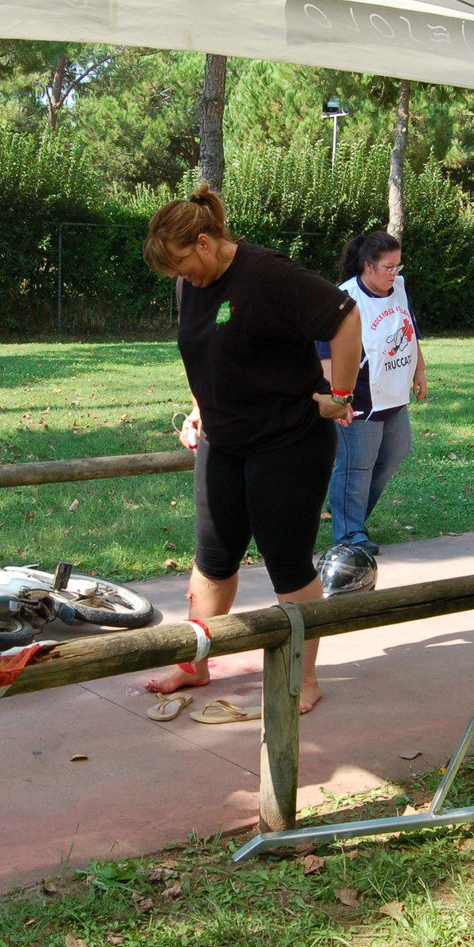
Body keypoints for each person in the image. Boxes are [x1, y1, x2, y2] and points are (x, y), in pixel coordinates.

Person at [140, 184, 359, 715]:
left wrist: (341, 396)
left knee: (287, 562)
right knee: (213, 560)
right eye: (171, 271)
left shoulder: (267, 274)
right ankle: (194, 663)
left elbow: (346, 317)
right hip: (224, 438)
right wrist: (199, 405)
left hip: (288, 441)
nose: (180, 278)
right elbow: (203, 349)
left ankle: (304, 679)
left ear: (208, 241)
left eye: (183, 265)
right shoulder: (191, 284)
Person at [316, 230, 427, 554]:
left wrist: (419, 370)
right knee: (356, 466)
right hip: (360, 398)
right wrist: (339, 400)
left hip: (393, 394)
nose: (395, 273)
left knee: (395, 453)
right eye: (388, 267)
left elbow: (410, 328)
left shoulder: (398, 288)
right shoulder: (345, 298)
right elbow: (325, 352)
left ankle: (351, 515)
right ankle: (349, 536)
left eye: (398, 266)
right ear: (368, 266)